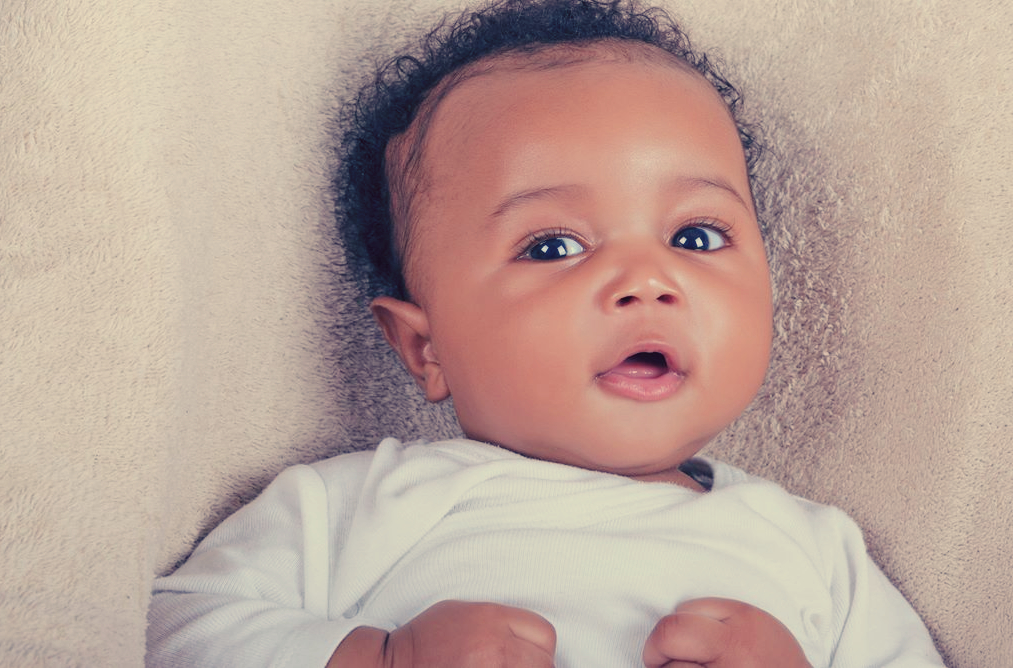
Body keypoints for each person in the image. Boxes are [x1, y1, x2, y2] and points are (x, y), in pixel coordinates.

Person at [147, 1, 946, 666]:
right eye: (553, 246)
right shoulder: (356, 507)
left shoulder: (814, 550)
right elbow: (169, 632)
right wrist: (377, 657)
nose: (646, 279)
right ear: (424, 349)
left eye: (697, 237)